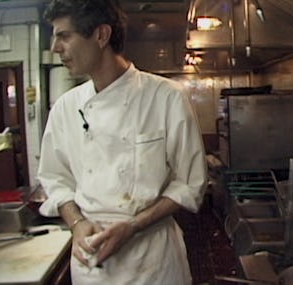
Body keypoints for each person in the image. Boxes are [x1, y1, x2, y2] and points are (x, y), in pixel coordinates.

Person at [37, 0, 207, 284]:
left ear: (101, 35)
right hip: (92, 263)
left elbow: (189, 183)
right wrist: (77, 223)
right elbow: (55, 179)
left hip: (152, 263)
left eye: (64, 36)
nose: (55, 48)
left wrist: (133, 226)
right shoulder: (65, 108)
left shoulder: (166, 97)